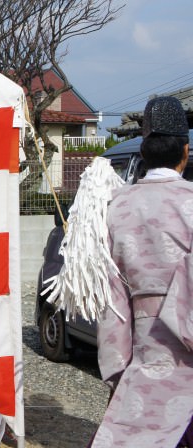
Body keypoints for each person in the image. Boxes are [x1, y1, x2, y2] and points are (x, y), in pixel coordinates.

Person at [91, 96, 193, 447]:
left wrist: (118, 362)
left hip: (141, 351)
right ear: (185, 151)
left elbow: (112, 291)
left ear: (144, 154)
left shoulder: (117, 206)